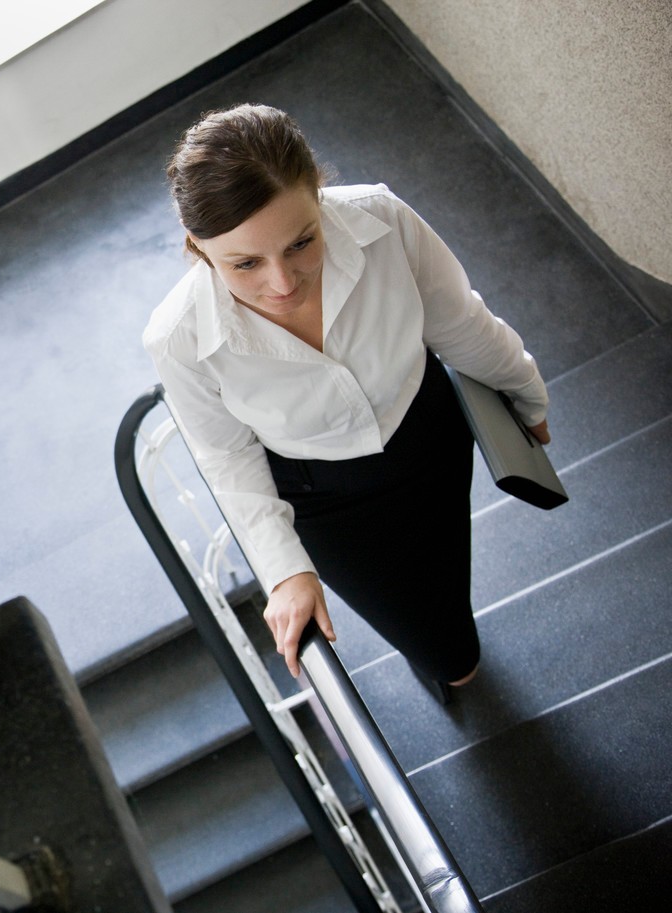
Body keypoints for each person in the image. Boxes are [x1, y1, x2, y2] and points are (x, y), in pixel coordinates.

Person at [143, 103, 550, 699]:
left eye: (302, 242)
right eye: (245, 263)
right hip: (323, 499)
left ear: (320, 197)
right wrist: (285, 570)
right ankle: (441, 652)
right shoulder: (178, 338)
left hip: (429, 435)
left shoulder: (381, 219)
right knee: (448, 650)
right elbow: (227, 459)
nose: (282, 283)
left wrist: (526, 392)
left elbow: (460, 322)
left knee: (444, 572)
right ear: (199, 250)